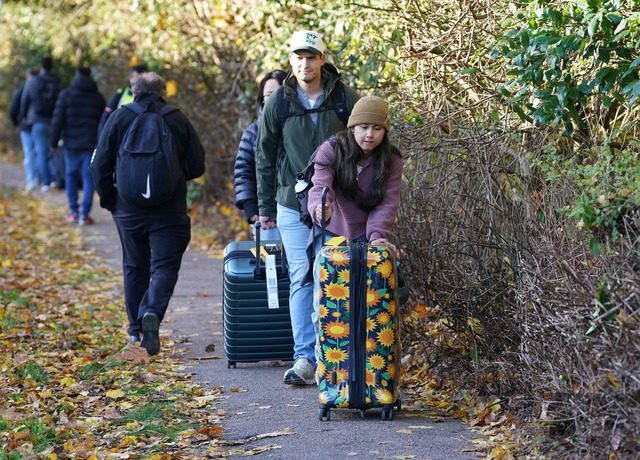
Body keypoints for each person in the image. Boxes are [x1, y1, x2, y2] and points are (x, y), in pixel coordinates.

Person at [255, 30, 359, 385]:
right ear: (291, 61)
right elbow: (264, 156)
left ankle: (331, 356)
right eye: (299, 57)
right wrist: (265, 207)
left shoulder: (344, 97)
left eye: (311, 57)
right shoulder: (279, 102)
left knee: (329, 276)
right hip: (291, 202)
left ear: (322, 60)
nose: (305, 63)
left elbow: (367, 144)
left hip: (337, 204)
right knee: (301, 275)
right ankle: (304, 359)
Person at [91, 72, 206, 355]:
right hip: (170, 210)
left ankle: (135, 331)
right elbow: (197, 164)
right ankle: (151, 310)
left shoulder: (120, 117)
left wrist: (111, 201)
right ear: (163, 91)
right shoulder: (177, 118)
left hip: (128, 209)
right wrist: (174, 179)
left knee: (134, 266)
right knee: (165, 267)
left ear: (133, 90)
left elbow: (100, 164)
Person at [307, 95, 403, 266]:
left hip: (366, 233)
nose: (370, 135)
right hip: (331, 230)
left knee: (367, 289)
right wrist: (320, 208)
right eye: (364, 127)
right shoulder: (332, 149)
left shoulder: (392, 159)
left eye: (377, 129)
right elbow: (320, 186)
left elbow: (388, 202)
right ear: (352, 128)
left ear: (385, 131)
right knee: (327, 287)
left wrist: (377, 237)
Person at [233, 69, 287, 240]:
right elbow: (243, 170)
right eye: (267, 95)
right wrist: (251, 208)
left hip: (298, 212)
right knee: (270, 264)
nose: (271, 100)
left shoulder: (298, 129)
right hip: (266, 216)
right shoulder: (253, 132)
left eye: (277, 94)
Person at [49, 66, 106, 225]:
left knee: (71, 175)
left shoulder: (66, 95)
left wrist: (53, 142)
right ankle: (84, 214)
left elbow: (57, 120)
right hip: (90, 144)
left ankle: (73, 211)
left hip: (71, 144)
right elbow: (104, 122)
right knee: (89, 178)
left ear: (76, 77)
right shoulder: (98, 98)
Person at [19, 56, 62, 192]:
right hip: (54, 121)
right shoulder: (57, 82)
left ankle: (45, 182)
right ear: (52, 66)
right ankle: (55, 179)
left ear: (40, 66)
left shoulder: (34, 81)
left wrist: (24, 116)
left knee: (40, 151)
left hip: (37, 121)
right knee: (53, 150)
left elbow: (25, 99)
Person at [97, 64, 148, 137]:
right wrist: (101, 139)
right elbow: (106, 116)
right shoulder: (121, 93)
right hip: (121, 137)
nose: (138, 81)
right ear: (130, 78)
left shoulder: (151, 96)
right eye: (136, 77)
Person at [9, 68, 39, 192]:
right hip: (38, 124)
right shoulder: (42, 88)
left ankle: (32, 179)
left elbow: (13, 108)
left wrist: (17, 122)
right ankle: (38, 178)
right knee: (38, 152)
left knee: (29, 152)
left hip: (26, 126)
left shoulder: (22, 90)